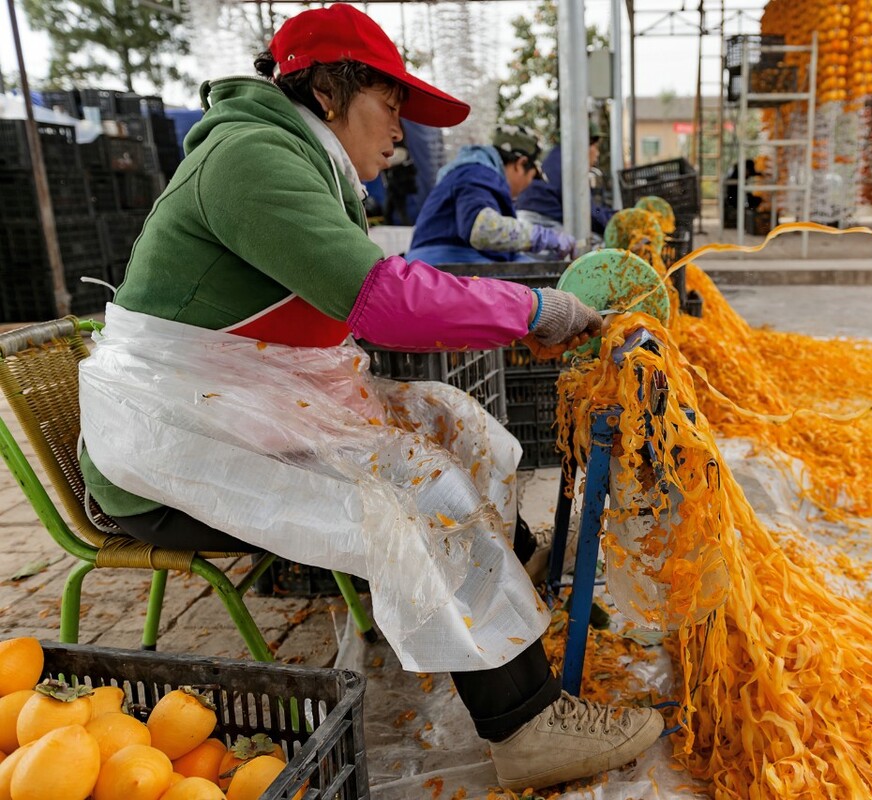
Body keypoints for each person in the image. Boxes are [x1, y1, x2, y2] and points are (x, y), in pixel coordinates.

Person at [75, 4, 662, 792]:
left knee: (448, 420)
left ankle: (510, 598)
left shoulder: (298, 159)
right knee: (422, 486)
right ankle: (526, 723)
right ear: (327, 91)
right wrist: (533, 310)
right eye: (391, 104)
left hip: (229, 413)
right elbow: (380, 298)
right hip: (167, 455)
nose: (401, 129)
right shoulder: (251, 158)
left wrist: (511, 317)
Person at [405, 125, 577, 265]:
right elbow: (483, 229)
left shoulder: (473, 173)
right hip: (439, 270)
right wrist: (543, 237)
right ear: (520, 164)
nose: (528, 186)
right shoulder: (477, 172)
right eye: (532, 177)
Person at [516, 123, 616, 239]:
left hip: (531, 221)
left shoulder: (558, 156)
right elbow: (589, 214)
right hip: (544, 224)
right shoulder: (570, 166)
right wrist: (618, 220)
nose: (597, 154)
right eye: (596, 147)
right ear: (585, 144)